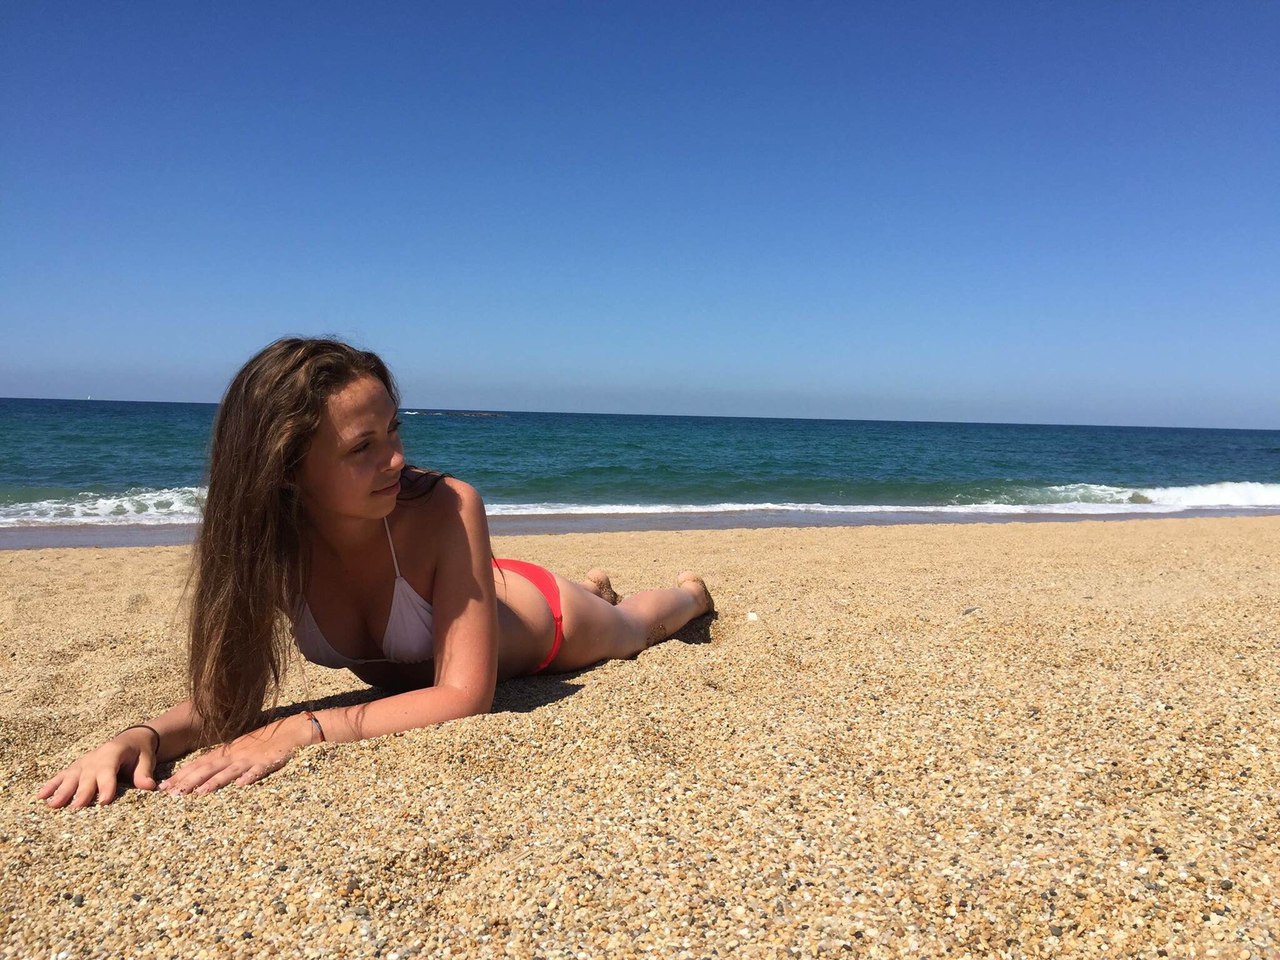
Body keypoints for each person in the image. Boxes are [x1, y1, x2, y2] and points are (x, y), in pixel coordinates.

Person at [38, 337, 713, 809]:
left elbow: (465, 695)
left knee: (632, 628)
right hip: (470, 588)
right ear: (286, 469)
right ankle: (594, 581)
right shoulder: (271, 547)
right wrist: (141, 738)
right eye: (364, 446)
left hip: (545, 621)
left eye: (393, 431)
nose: (395, 459)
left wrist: (305, 728)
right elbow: (230, 699)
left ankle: (684, 594)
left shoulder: (448, 504)